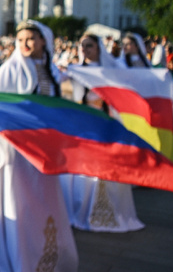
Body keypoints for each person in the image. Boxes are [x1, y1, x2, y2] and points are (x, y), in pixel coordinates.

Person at [0, 20, 79, 272]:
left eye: (31, 39)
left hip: (43, 154)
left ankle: (47, 262)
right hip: (17, 155)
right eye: (21, 39)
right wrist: (9, 136)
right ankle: (16, 266)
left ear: (44, 41)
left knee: (43, 205)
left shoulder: (49, 71)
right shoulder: (11, 69)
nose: (25, 44)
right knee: (20, 205)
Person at [61, 34, 144, 232]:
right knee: (84, 167)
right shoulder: (77, 70)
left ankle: (104, 210)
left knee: (106, 166)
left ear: (98, 47)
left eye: (89, 45)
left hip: (107, 123)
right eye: (82, 46)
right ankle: (82, 209)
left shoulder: (111, 70)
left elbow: (131, 83)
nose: (85, 50)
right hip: (84, 125)